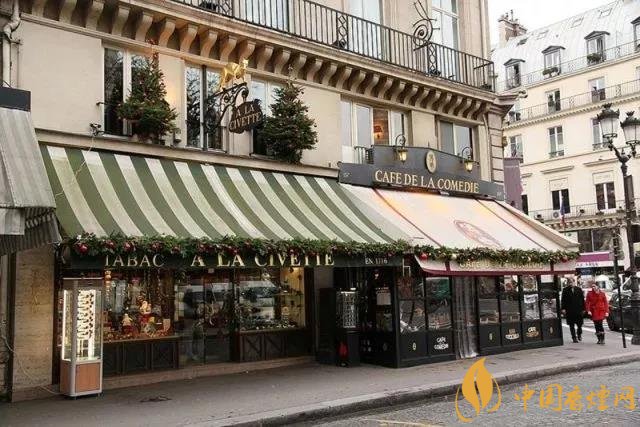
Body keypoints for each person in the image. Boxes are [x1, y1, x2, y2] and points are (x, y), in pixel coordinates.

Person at [561, 278, 585, 343]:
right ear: (568, 283)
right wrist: (563, 308)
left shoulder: (579, 289)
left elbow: (582, 299)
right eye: (570, 282)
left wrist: (583, 309)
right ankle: (574, 337)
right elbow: (563, 300)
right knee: (571, 325)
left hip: (578, 310)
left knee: (579, 325)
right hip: (569, 310)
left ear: (574, 282)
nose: (571, 284)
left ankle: (579, 334)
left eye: (572, 282)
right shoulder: (565, 290)